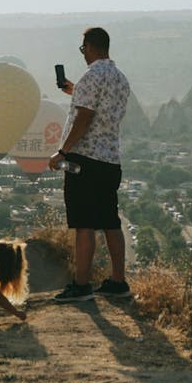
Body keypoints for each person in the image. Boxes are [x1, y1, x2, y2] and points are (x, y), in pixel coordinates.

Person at [49, 26, 131, 302]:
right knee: (110, 221)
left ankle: (82, 285)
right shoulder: (120, 79)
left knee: (83, 224)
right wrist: (75, 91)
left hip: (84, 159)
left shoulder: (91, 76)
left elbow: (84, 117)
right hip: (110, 159)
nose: (83, 54)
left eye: (84, 49)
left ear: (92, 47)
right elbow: (100, 109)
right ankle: (118, 282)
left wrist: (62, 151)